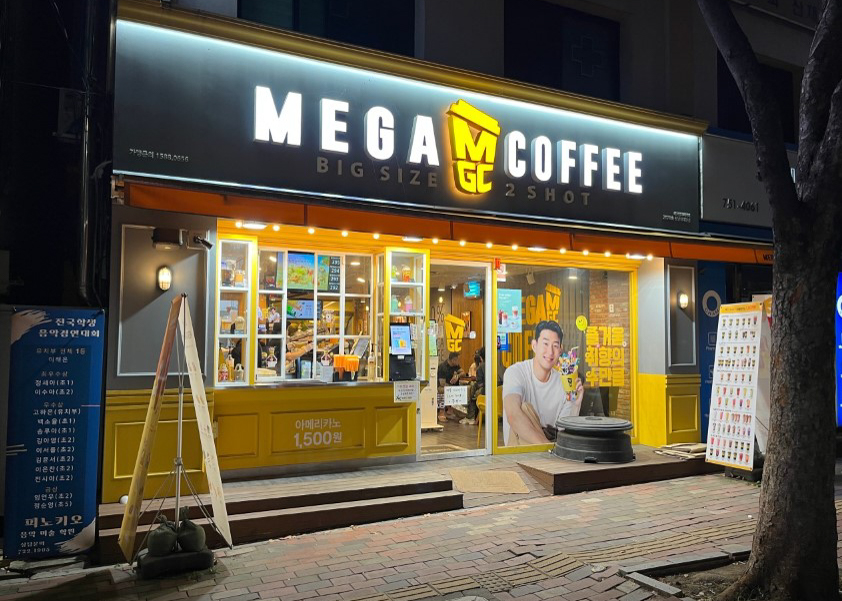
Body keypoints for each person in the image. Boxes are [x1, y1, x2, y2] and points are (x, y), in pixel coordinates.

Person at [502, 321, 584, 446]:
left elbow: (563, 431)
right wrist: (548, 448)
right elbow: (513, 415)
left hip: (549, 450)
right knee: (524, 408)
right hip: (519, 451)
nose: (550, 352)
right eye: (545, 344)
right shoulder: (515, 372)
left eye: (555, 346)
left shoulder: (564, 382)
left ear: (560, 350)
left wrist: (575, 405)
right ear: (534, 346)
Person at [437, 351, 463, 422]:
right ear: (453, 360)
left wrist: (457, 376)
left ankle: (450, 411)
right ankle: (441, 412)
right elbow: (442, 383)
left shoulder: (456, 365)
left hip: (453, 386)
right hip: (443, 386)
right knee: (442, 391)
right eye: (457, 360)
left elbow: (462, 372)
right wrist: (451, 387)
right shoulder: (443, 367)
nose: (458, 361)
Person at [462, 347, 485, 425]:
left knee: (473, 395)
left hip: (485, 391)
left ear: (481, 357)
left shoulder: (481, 368)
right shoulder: (497, 364)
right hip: (499, 390)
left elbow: (480, 384)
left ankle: (470, 416)